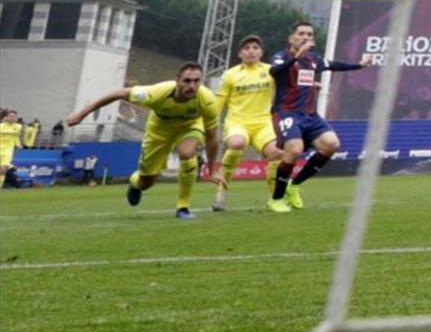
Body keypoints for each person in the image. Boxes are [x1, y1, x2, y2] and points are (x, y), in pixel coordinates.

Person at [65, 63, 224, 219]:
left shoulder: (207, 100)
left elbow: (212, 136)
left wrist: (212, 168)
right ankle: (135, 183)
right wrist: (81, 114)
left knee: (187, 153)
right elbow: (119, 93)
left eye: (197, 81)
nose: (192, 85)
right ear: (177, 80)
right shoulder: (156, 93)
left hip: (190, 126)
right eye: (187, 81)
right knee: (146, 182)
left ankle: (183, 207)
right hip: (159, 132)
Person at [269, 22, 370, 211]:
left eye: (309, 34)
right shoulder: (281, 57)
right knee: (295, 149)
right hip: (286, 112)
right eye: (301, 33)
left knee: (331, 145)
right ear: (291, 38)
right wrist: (296, 57)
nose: (305, 37)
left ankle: (295, 185)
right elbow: (274, 72)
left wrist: (360, 65)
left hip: (310, 115)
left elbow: (333, 65)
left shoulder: (313, 60)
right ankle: (276, 199)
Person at [212, 35, 286, 213]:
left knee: (277, 153)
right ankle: (222, 191)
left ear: (261, 52)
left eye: (255, 47)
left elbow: (289, 86)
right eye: (247, 48)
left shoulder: (271, 71)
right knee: (237, 143)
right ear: (240, 53)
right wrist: (209, 123)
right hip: (238, 122)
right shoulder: (230, 75)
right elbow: (219, 101)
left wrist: (312, 86)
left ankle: (274, 199)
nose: (251, 51)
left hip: (263, 123)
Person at [0, 109, 22, 180]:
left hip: (8, 150)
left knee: (3, 170)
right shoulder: (1, 126)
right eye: (10, 116)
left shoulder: (18, 127)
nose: (12, 118)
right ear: (6, 117)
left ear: (16, 118)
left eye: (14, 117)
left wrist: (18, 144)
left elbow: (16, 137)